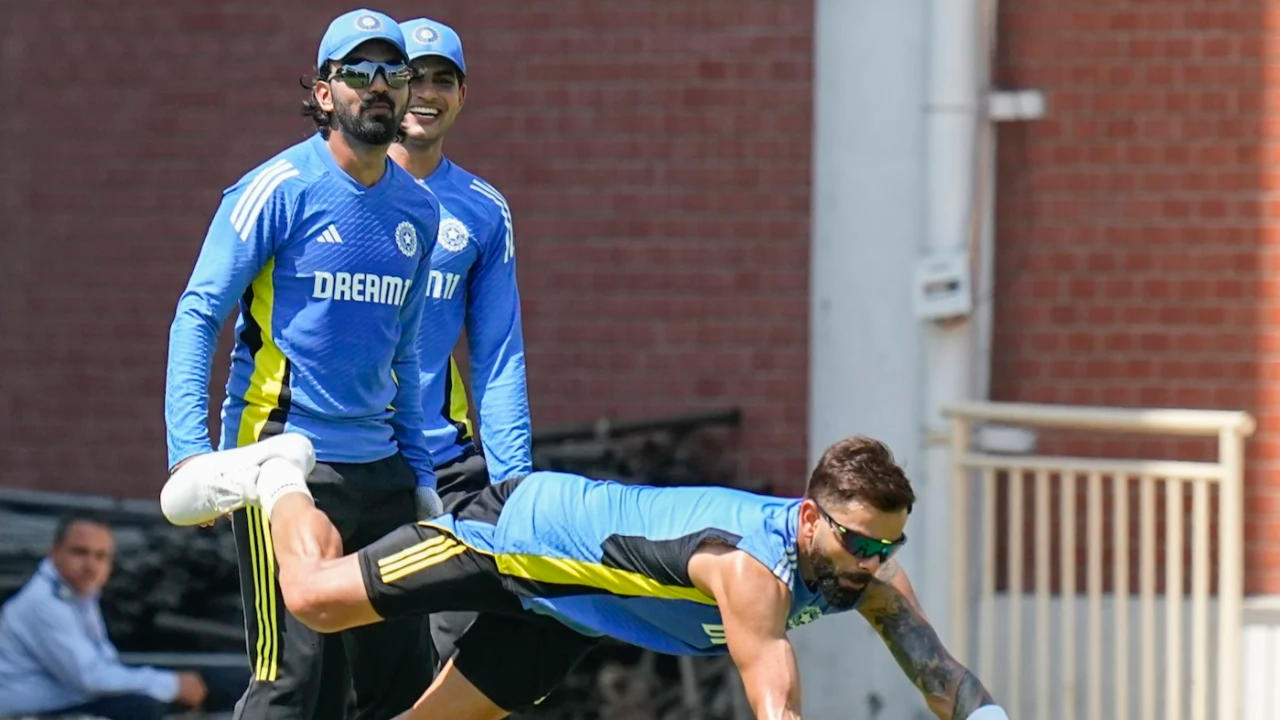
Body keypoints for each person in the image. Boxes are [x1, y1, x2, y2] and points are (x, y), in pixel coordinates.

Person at [161, 435, 1010, 720]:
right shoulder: (756, 572)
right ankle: (278, 477)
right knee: (313, 600)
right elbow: (775, 706)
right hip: (516, 537)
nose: (874, 566)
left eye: (888, 549)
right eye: (862, 546)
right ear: (815, 517)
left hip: (569, 614)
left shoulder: (871, 580)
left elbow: (942, 678)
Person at [162, 8, 441, 718]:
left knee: (403, 688)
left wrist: (421, 477)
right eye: (357, 72)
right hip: (282, 470)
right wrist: (191, 458)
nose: (377, 87)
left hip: (382, 475)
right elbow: (198, 314)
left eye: (394, 73)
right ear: (324, 92)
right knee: (294, 685)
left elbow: (405, 353)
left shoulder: (419, 211)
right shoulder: (277, 188)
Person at [388, 16, 533, 663]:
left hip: (446, 469)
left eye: (442, 78)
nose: (426, 91)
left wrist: (515, 487)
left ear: (463, 95)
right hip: (341, 460)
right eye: (412, 76)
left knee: (459, 662)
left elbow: (500, 356)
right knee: (342, 671)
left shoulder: (481, 208)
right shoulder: (324, 192)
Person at [0, 512, 207, 719]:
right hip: (30, 712)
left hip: (66, 701)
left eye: (101, 556)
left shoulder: (79, 594)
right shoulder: (44, 602)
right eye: (80, 552)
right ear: (54, 553)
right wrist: (171, 684)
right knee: (143, 707)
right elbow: (90, 677)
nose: (91, 565)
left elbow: (105, 664)